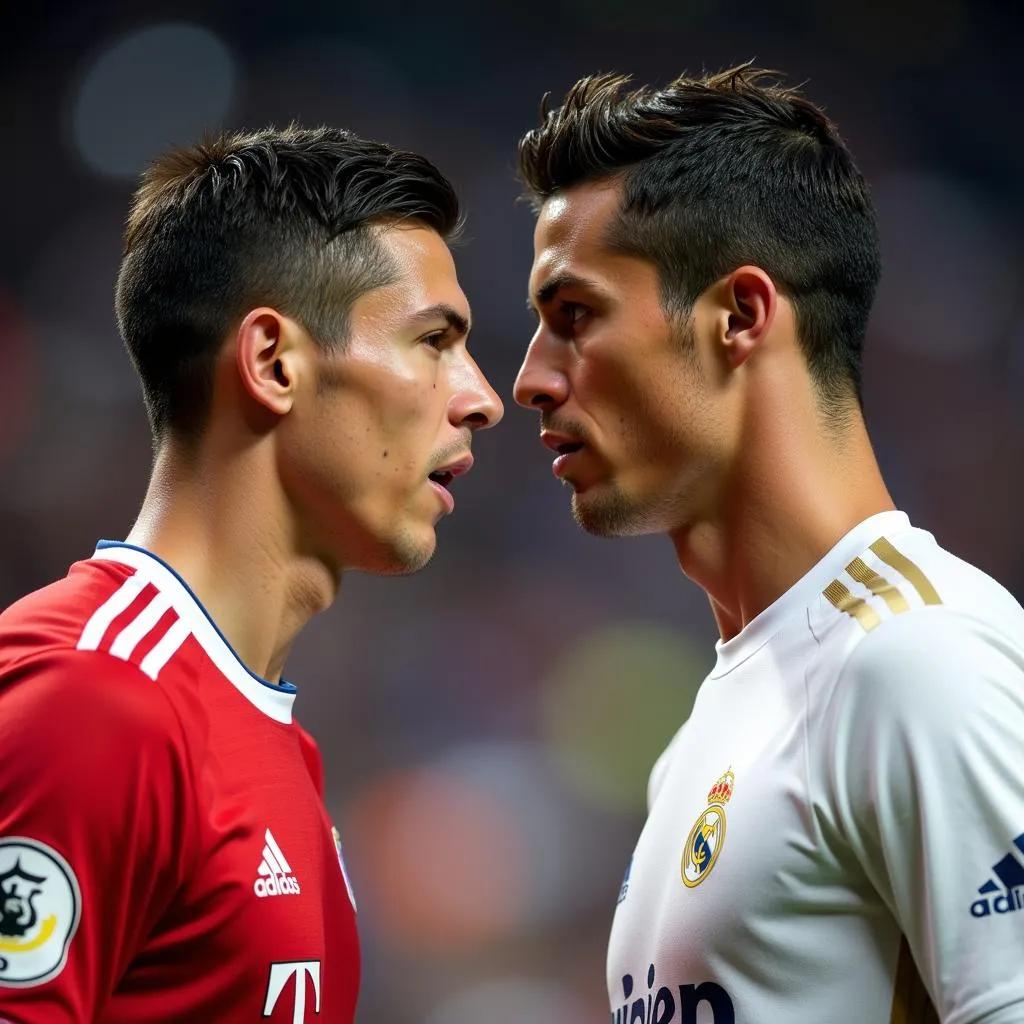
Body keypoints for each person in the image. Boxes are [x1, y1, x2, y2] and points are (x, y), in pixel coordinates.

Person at [513, 65, 1024, 1024]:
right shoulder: (714, 724)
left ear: (740, 317)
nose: (531, 379)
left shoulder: (920, 660)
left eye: (573, 317)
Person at [0, 125, 502, 1023]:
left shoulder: (270, 739)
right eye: (434, 341)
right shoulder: (91, 700)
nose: (481, 396)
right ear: (274, 363)